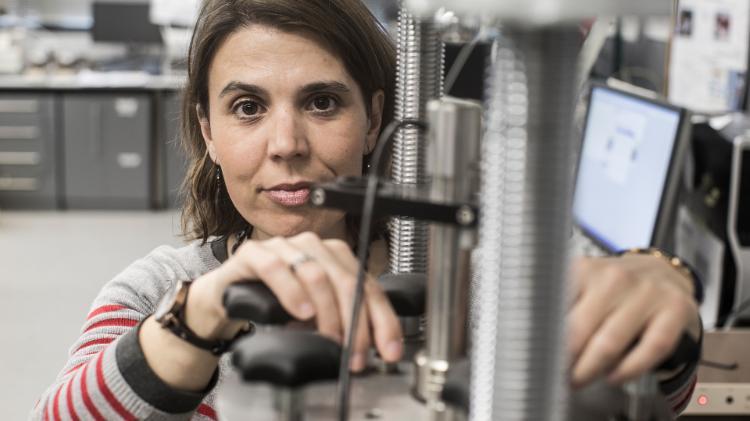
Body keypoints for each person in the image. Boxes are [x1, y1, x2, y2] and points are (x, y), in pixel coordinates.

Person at [32, 0, 702, 419]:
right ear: (208, 131)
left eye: (323, 102)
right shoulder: (157, 289)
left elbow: (659, 394)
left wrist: (667, 297)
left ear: (378, 116)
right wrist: (200, 316)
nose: (287, 145)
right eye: (247, 107)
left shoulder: (475, 276)